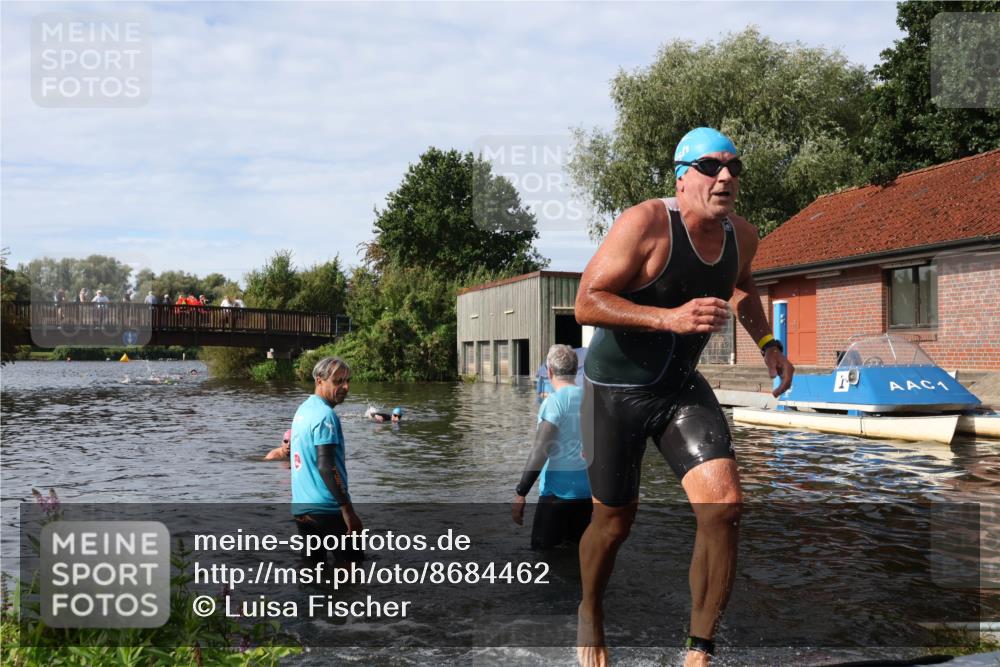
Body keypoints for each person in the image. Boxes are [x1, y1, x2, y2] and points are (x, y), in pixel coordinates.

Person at [573, 127, 794, 667]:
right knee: (614, 523)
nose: (725, 178)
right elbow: (586, 302)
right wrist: (667, 318)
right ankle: (590, 611)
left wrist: (767, 342)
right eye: (712, 167)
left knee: (725, 509)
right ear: (681, 174)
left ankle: (699, 648)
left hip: (680, 389)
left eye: (734, 169)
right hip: (616, 392)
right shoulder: (646, 222)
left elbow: (742, 286)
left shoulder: (744, 234)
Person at [512, 344, 591, 550]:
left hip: (556, 497)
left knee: (542, 561)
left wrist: (521, 492)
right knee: (578, 559)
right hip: (589, 497)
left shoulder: (554, 403)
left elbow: (541, 449)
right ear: (575, 370)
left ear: (549, 372)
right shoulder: (592, 399)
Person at [290, 356, 363, 565]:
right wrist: (348, 511)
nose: (346, 387)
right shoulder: (325, 416)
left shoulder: (303, 411)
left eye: (347, 380)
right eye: (338, 381)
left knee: (313, 573)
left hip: (303, 510)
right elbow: (326, 466)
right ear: (319, 381)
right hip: (328, 509)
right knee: (352, 572)